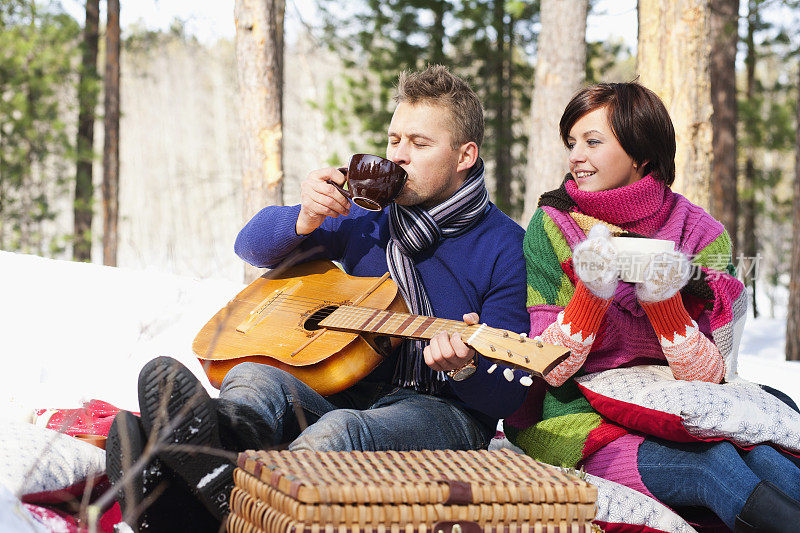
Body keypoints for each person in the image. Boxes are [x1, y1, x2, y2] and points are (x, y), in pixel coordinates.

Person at [106, 65, 532, 531]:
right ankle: (214, 458)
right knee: (251, 375)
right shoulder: (366, 216)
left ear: (464, 155)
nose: (399, 156)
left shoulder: (507, 245)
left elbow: (508, 392)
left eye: (420, 143)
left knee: (339, 430)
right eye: (394, 140)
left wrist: (465, 366)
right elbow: (250, 246)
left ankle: (196, 500)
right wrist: (304, 217)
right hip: (345, 385)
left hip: (443, 414)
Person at [503, 82, 800, 532]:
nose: (575, 157)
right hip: (577, 414)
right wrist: (592, 294)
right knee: (712, 464)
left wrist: (664, 303)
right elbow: (550, 367)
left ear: (641, 152)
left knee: (760, 448)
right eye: (572, 143)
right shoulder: (553, 224)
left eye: (593, 142)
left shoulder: (701, 233)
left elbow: (713, 374)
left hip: (683, 402)